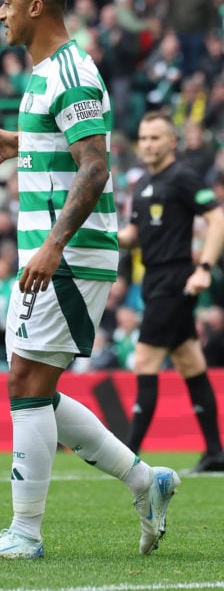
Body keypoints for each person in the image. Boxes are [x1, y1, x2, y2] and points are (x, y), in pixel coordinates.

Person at [0, 0, 179, 561]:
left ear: (37, 8)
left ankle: (25, 534)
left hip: (68, 254)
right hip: (49, 254)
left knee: (26, 384)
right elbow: (68, 146)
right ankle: (146, 482)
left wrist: (56, 244)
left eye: (7, 4)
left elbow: (95, 167)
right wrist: (24, 142)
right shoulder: (43, 75)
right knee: (34, 385)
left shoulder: (71, 72)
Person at [117, 111, 224, 473]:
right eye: (143, 138)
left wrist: (204, 269)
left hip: (175, 281)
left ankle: (127, 456)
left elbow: (218, 218)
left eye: (155, 138)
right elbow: (132, 238)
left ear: (172, 142)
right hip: (153, 282)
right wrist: (93, 234)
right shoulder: (142, 184)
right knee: (190, 362)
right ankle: (215, 453)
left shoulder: (183, 177)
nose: (147, 144)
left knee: (145, 360)